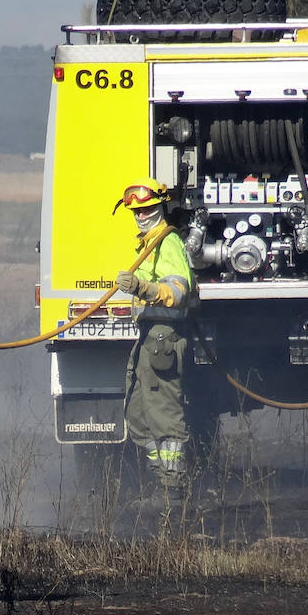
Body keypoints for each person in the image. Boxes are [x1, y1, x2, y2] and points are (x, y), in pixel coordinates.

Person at [112, 178, 196, 497]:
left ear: (160, 206)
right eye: (135, 210)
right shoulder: (147, 242)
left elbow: (178, 290)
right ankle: (160, 476)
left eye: (147, 209)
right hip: (147, 333)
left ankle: (173, 490)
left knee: (164, 415)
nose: (141, 215)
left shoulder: (167, 241)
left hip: (164, 335)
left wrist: (141, 288)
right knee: (136, 413)